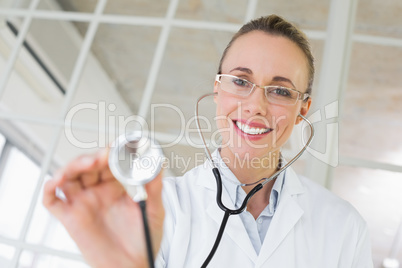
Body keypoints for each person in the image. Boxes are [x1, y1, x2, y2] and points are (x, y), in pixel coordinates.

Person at [43, 14, 373, 267]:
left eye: (280, 90)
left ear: (303, 109)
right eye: (241, 81)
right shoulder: (162, 211)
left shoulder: (343, 226)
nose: (255, 107)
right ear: (217, 89)